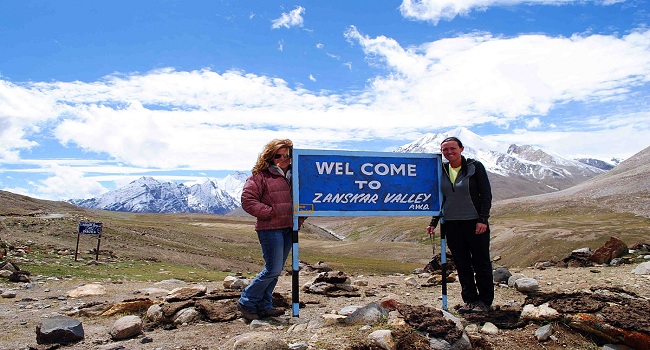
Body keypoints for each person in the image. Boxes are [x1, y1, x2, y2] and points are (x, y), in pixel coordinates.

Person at [426, 136, 494, 313]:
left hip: (474, 222)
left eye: (452, 148)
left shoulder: (474, 167)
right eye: (445, 150)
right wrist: (433, 222)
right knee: (462, 264)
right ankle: (470, 301)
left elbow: (486, 194)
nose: (449, 152)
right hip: (451, 224)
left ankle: (485, 302)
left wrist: (483, 219)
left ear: (461, 149)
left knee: (481, 263)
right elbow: (441, 199)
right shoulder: (441, 170)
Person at [237, 138, 300, 321]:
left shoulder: (296, 175)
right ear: (270, 157)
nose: (283, 159)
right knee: (272, 269)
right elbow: (248, 201)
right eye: (278, 155)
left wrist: (300, 218)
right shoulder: (260, 176)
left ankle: (265, 305)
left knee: (277, 269)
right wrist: (270, 213)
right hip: (270, 228)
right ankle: (247, 302)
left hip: (290, 227)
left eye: (287, 155)